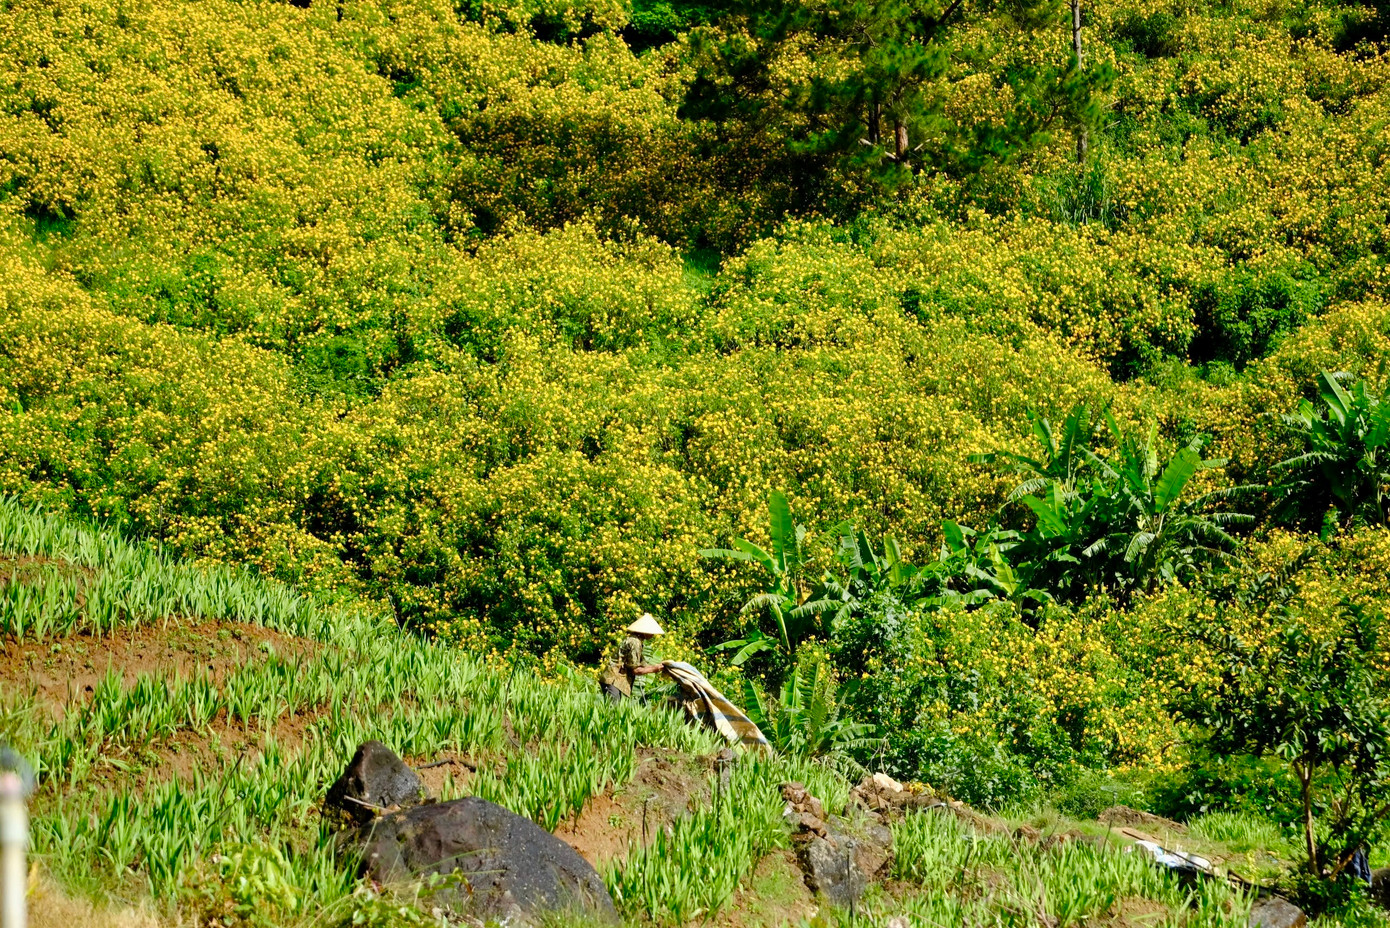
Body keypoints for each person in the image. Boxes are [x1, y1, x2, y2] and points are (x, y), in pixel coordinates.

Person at [598, 613, 665, 701]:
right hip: (613, 679)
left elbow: (642, 665)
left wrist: (660, 666)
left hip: (615, 681)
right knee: (612, 710)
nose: (653, 635)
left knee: (615, 709)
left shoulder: (636, 641)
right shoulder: (635, 643)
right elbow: (635, 669)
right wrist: (655, 669)